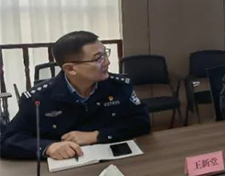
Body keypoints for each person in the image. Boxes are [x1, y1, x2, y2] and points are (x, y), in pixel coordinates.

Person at [0, 31, 151, 160]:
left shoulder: (119, 86)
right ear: (70, 69)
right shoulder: (39, 98)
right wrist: (48, 147)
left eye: (105, 54)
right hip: (64, 168)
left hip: (113, 160)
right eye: (98, 58)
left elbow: (141, 122)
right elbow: (7, 140)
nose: (107, 62)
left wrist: (97, 135)